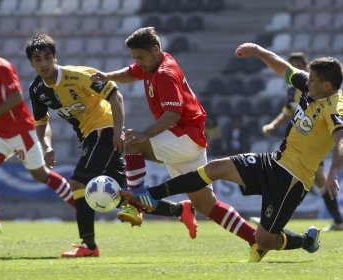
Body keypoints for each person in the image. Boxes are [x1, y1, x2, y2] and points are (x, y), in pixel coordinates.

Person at [121, 42, 343, 262]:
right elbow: (282, 67)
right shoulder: (310, 86)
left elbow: (341, 140)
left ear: (326, 86)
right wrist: (257, 50)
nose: (307, 80)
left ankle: (305, 241)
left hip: (292, 180)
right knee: (215, 168)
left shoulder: (335, 108)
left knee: (264, 240)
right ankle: (150, 195)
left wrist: (333, 171)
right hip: (274, 161)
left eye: (312, 79)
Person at [91, 27, 258, 247]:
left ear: (156, 49)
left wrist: (145, 134)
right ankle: (255, 239)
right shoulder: (152, 64)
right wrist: (107, 76)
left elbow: (173, 115)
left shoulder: (165, 73)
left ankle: (136, 204)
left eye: (140, 57)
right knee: (207, 205)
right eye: (135, 57)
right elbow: (132, 73)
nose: (138, 62)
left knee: (133, 143)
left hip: (184, 135)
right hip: (188, 139)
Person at [25, 33, 126, 257]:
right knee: (125, 197)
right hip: (89, 136)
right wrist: (47, 146)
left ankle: (89, 246)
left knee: (78, 182)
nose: (43, 63)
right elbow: (41, 122)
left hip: (104, 130)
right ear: (31, 63)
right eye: (37, 59)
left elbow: (116, 97)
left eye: (47, 57)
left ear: (55, 57)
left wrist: (118, 133)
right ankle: (179, 209)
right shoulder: (36, 90)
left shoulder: (79, 75)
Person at [0, 32, 76, 235]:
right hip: (2, 133)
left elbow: (16, 97)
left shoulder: (2, 67)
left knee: (41, 175)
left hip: (20, 131)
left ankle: (82, 208)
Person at [262, 52, 343, 232]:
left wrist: (334, 171)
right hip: (298, 140)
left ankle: (337, 220)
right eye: (293, 64)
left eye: (299, 64)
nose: (297, 68)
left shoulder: (319, 89)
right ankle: (337, 220)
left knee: (317, 180)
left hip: (312, 143)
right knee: (316, 181)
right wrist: (272, 125)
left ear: (306, 66)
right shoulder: (295, 88)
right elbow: (288, 111)